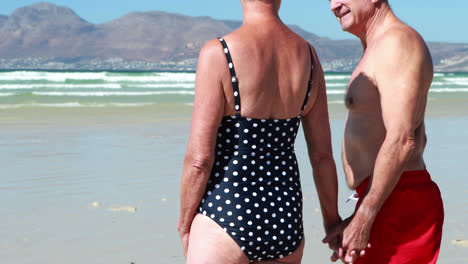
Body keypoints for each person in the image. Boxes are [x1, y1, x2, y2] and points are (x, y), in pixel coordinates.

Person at [178, 0, 341, 263]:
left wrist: (185, 224)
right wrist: (332, 222)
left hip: (227, 211)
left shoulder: (219, 52)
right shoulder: (309, 57)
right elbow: (322, 156)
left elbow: (199, 161)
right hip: (285, 219)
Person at [323, 0, 444, 263]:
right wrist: (359, 213)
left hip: (400, 202)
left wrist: (365, 216)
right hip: (385, 199)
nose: (333, 5)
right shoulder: (378, 46)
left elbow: (402, 140)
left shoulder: (397, 42)